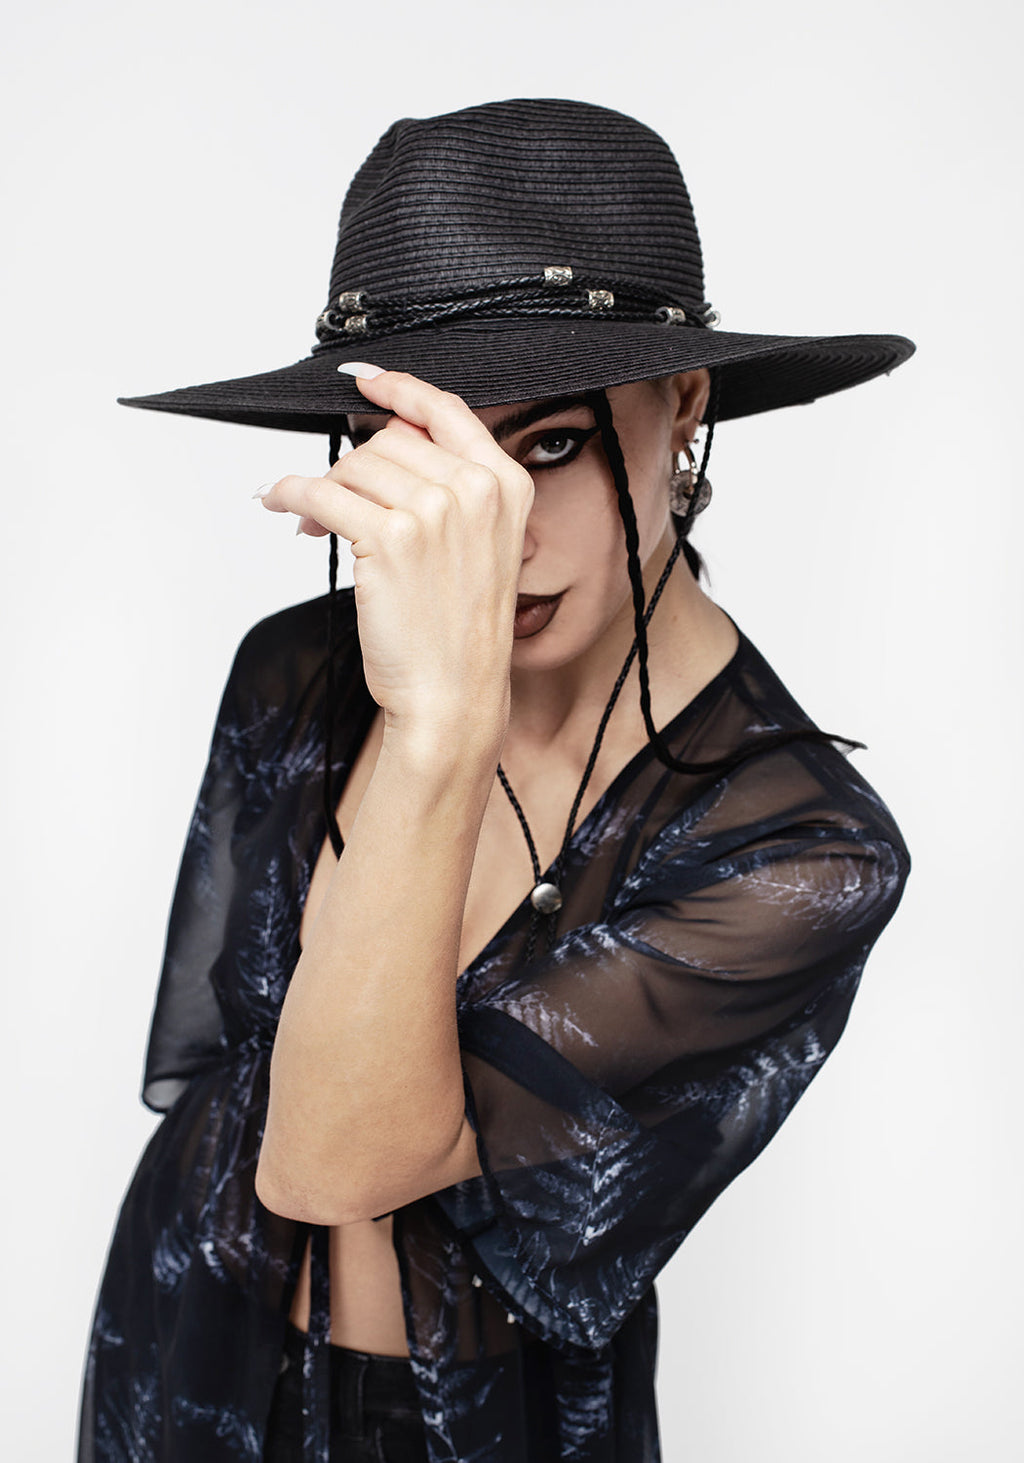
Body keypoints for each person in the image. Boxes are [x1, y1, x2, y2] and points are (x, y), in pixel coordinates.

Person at [76, 98, 913, 1463]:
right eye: (431, 455)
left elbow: (335, 1159)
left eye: (550, 446)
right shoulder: (298, 668)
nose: (492, 533)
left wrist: (438, 727)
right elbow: (233, 1072)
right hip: (189, 1347)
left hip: (476, 1425)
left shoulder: (798, 851)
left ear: (683, 404)